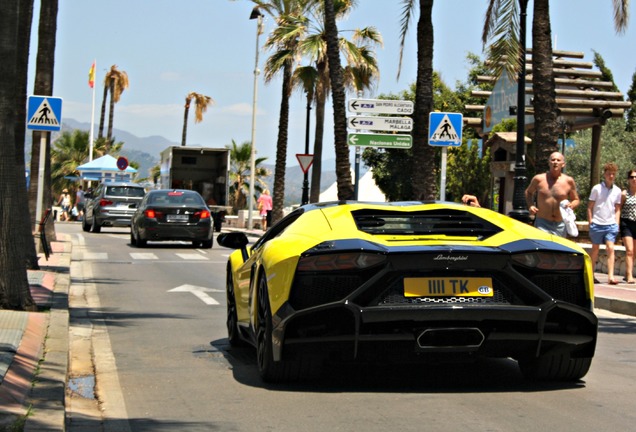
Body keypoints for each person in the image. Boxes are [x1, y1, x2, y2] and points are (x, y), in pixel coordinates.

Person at [525, 151, 580, 237]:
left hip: (560, 225)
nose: (555, 162)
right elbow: (528, 192)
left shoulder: (568, 181)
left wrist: (571, 205)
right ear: (549, 163)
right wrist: (530, 205)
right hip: (542, 223)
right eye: (553, 160)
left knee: (558, 250)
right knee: (543, 249)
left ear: (563, 164)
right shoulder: (539, 179)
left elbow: (576, 199)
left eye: (558, 160)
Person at [588, 162, 622, 285]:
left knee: (610, 248)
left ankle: (611, 277)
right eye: (609, 174)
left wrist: (616, 223)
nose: (611, 176)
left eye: (613, 174)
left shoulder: (617, 191)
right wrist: (591, 221)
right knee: (595, 249)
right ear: (604, 174)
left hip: (610, 224)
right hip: (597, 223)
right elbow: (590, 206)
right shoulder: (597, 188)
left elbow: (617, 208)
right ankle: (591, 275)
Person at [620, 169, 636, 284]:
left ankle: (627, 273)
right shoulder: (624, 194)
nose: (634, 179)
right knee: (629, 251)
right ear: (628, 179)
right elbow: (618, 209)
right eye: (632, 177)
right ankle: (629, 275)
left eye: (635, 177)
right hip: (627, 223)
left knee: (634, 251)